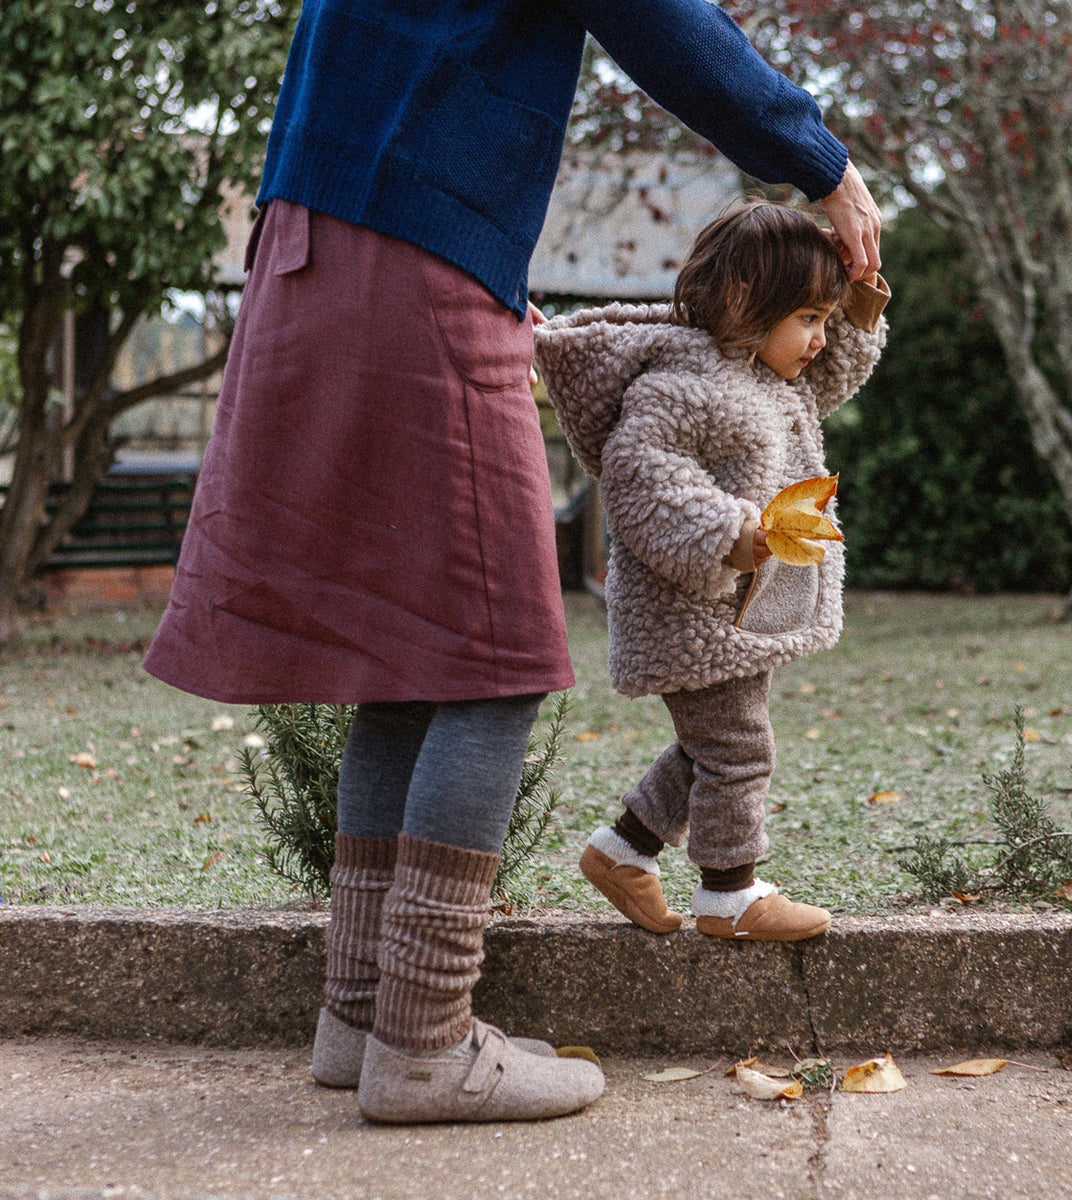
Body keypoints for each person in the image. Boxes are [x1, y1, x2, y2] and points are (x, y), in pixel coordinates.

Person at [142, 0, 883, 1125]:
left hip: (313, 246)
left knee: (410, 662)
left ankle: (360, 1019)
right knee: (495, 659)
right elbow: (663, 20)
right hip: (415, 256)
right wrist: (823, 165)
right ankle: (427, 1044)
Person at [534, 201, 888, 942]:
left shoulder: (767, 372)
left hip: (738, 609)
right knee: (738, 748)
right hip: (692, 607)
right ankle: (730, 894)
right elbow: (642, 476)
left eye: (827, 319)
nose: (821, 341)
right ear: (741, 305)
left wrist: (861, 292)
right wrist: (736, 534)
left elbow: (839, 368)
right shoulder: (682, 379)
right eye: (809, 319)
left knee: (713, 744)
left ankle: (622, 851)